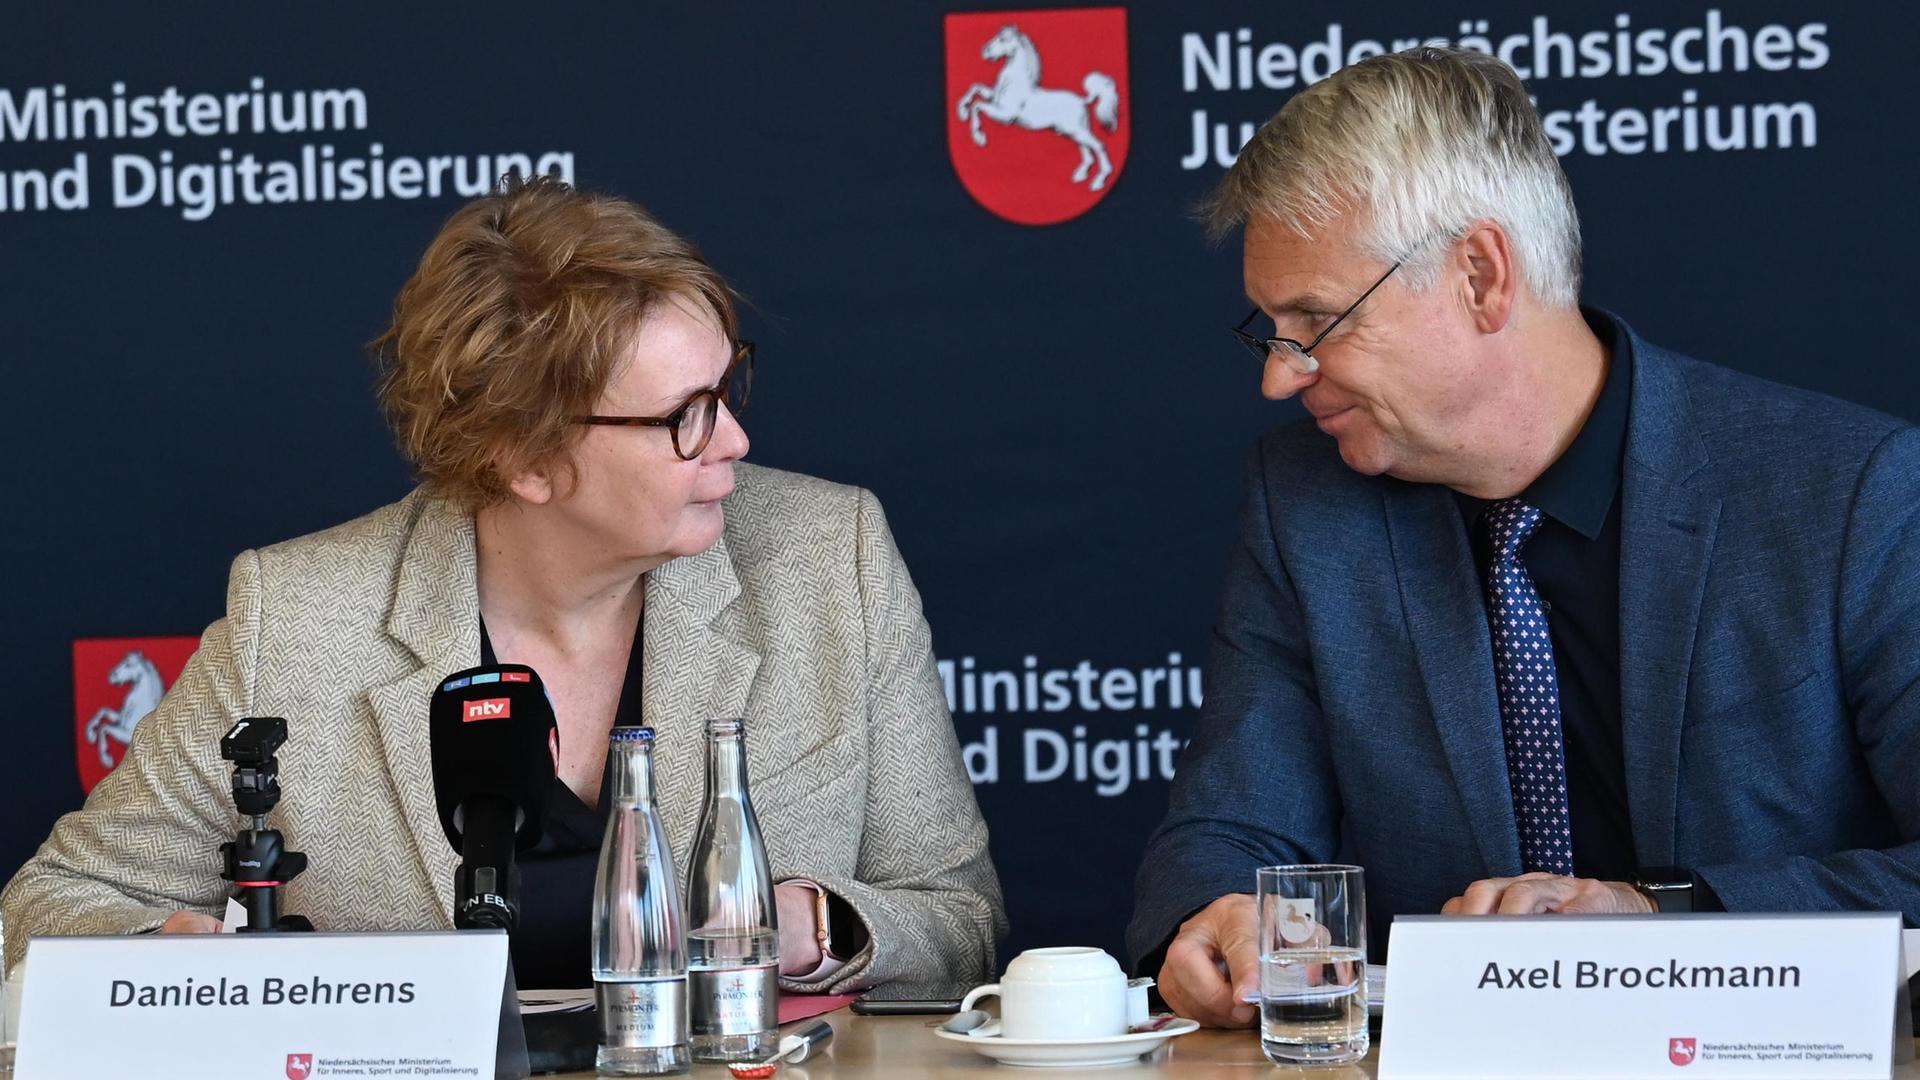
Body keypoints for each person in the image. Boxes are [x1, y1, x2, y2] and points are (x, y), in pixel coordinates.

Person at [3, 176, 1006, 991]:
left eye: (728, 385)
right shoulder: (297, 616)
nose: (736, 441)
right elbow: (50, 904)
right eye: (684, 416)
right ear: (525, 458)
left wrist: (816, 926)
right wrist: (159, 961)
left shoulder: (832, 558)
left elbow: (960, 918)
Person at [1129, 46, 1920, 1028]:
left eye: (1317, 321)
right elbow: (1233, 825)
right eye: (1271, 328)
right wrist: (1220, 918)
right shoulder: (1306, 504)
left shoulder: (1849, 494)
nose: (1280, 377)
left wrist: (1658, 920)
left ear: (1481, 276)